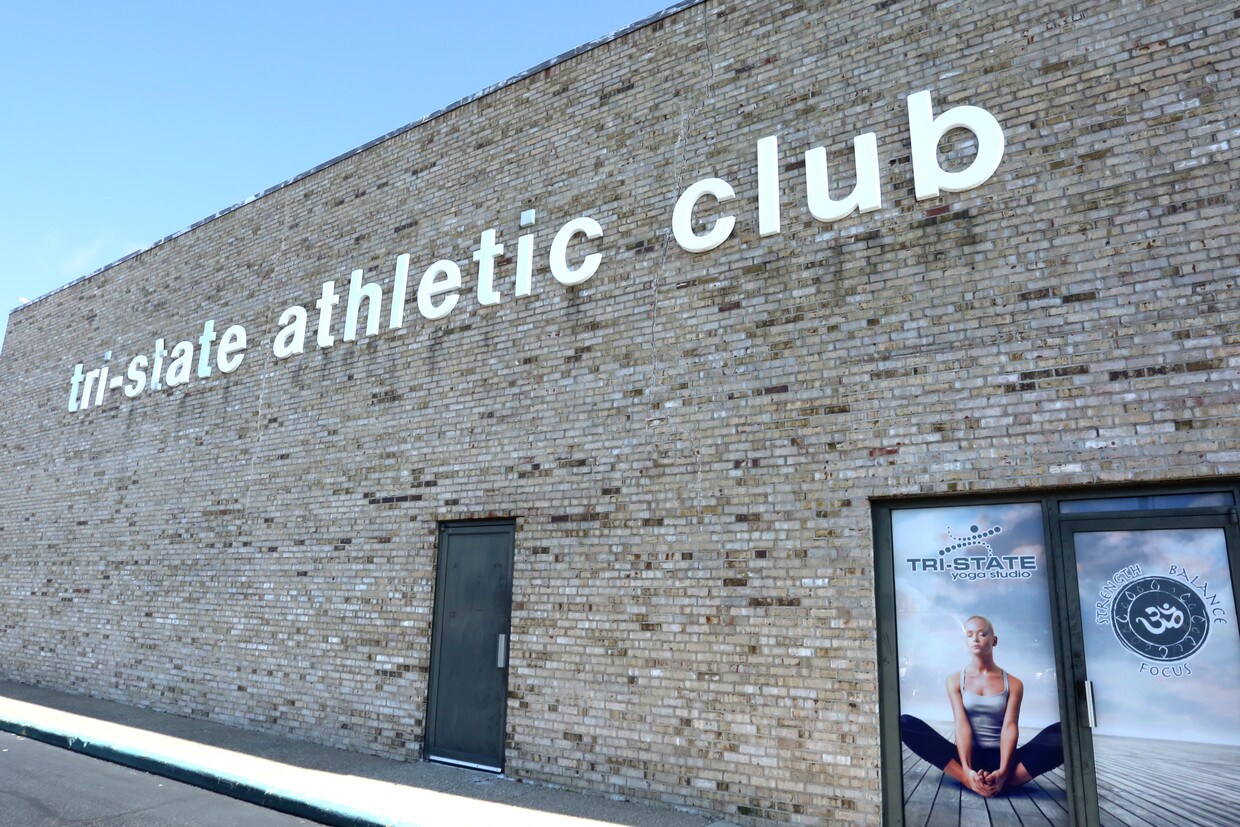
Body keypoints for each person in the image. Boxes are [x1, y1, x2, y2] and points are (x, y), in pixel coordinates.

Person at [900, 615, 1062, 797]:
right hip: (966, 757)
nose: (975, 639)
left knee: (1064, 732)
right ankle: (968, 779)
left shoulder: (1014, 683)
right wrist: (967, 768)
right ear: (965, 642)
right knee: (905, 723)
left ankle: (1004, 779)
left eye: (982, 634)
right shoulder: (954, 680)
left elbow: (1009, 728)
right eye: (969, 635)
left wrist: (1003, 770)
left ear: (994, 640)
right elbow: (961, 725)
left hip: (1004, 759)